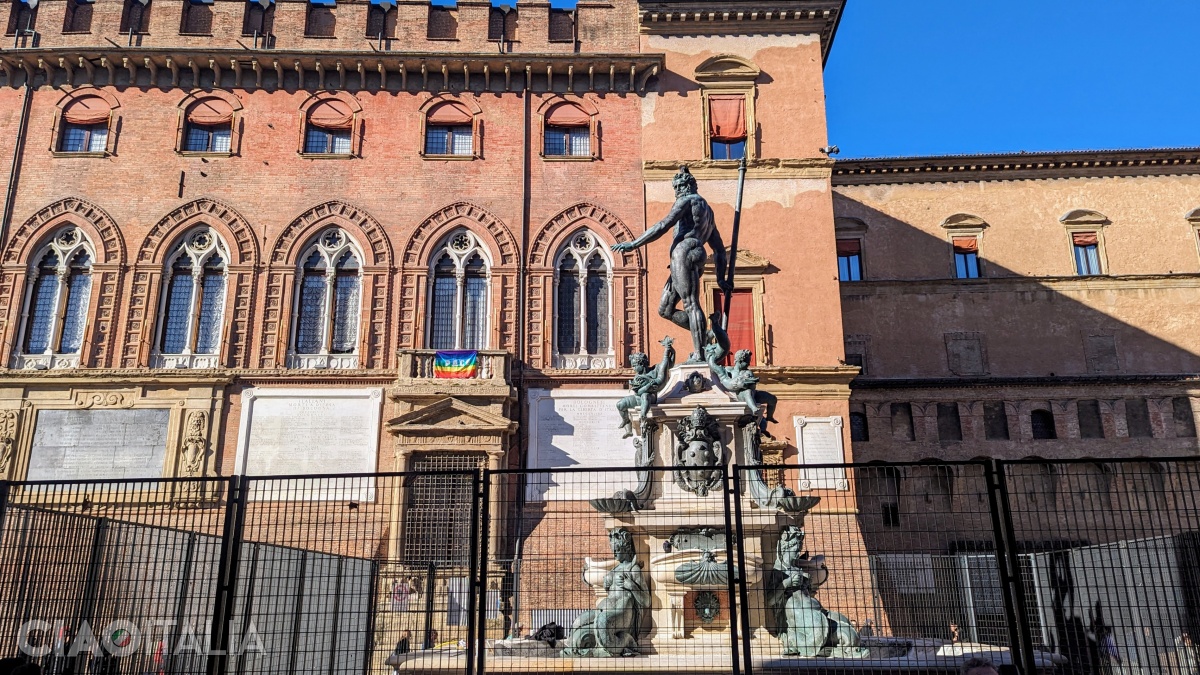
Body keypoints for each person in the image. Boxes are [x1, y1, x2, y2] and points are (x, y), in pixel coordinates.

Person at [612, 166, 731, 363]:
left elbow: (663, 225)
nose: (676, 191)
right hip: (689, 254)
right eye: (675, 186)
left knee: (690, 304)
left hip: (684, 252)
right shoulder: (707, 212)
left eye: (679, 186)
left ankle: (700, 355)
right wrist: (721, 279)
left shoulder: (687, 201)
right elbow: (718, 250)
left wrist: (634, 244)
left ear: (689, 185)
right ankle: (707, 334)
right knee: (665, 309)